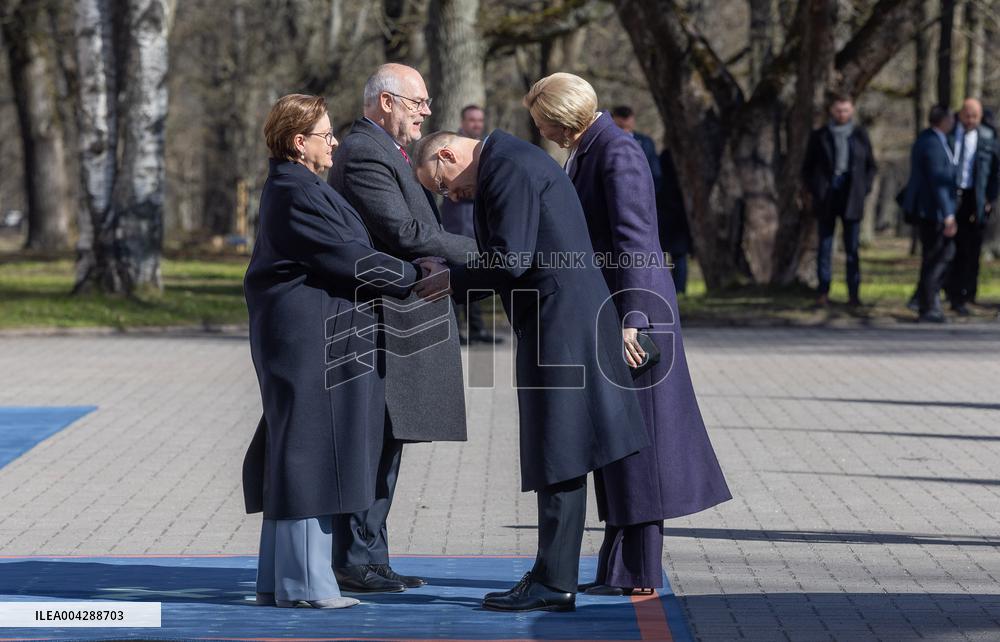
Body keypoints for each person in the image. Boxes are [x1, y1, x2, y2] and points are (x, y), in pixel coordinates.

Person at [411, 129, 650, 613]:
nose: (451, 196)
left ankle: (555, 582)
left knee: (560, 451)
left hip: (560, 325)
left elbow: (511, 259)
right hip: (559, 319)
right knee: (558, 450)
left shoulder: (506, 166)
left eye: (442, 184)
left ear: (447, 154)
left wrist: (450, 280)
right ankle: (550, 574)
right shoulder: (509, 159)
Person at [524, 72, 730, 596]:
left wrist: (634, 319)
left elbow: (637, 241)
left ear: (563, 119)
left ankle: (638, 571)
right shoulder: (589, 148)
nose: (540, 130)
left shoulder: (618, 152)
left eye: (542, 120)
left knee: (642, 448)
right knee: (620, 446)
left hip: (634, 315)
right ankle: (619, 568)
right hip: (614, 312)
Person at [241, 94, 448, 608]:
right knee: (309, 453)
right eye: (326, 134)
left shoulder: (299, 185)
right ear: (299, 142)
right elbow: (349, 257)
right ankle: (306, 585)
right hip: (307, 340)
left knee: (300, 451)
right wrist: (415, 276)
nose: (334, 143)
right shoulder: (295, 191)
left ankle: (280, 579)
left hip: (312, 335)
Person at [327, 63, 474, 593]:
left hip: (398, 317)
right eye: (418, 102)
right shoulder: (364, 151)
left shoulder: (388, 150)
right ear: (386, 101)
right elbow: (404, 231)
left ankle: (372, 556)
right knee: (372, 443)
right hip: (380, 320)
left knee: (387, 444)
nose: (425, 113)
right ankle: (355, 561)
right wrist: (481, 253)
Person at [801, 94, 877, 307]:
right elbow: (807, 168)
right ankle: (823, 291)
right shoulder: (820, 136)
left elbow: (871, 166)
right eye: (838, 110)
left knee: (852, 248)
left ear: (852, 110)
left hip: (852, 197)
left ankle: (853, 293)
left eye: (846, 110)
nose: (842, 114)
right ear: (832, 111)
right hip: (827, 197)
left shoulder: (860, 135)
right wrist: (815, 190)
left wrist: (863, 189)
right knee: (825, 246)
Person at [439, 104, 503, 344]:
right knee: (457, 273)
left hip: (478, 226)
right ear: (462, 122)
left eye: (479, 120)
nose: (477, 124)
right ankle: (456, 331)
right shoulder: (452, 149)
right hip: (457, 223)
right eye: (472, 120)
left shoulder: (484, 148)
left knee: (476, 273)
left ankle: (477, 329)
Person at [903, 105, 959, 323]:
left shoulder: (935, 140)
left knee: (938, 256)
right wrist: (948, 214)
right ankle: (928, 303)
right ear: (943, 120)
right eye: (950, 118)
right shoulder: (932, 143)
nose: (953, 122)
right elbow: (939, 182)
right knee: (938, 257)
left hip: (933, 209)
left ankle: (925, 300)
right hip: (932, 211)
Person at [945, 98, 999, 315]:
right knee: (948, 249)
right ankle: (948, 292)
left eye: (975, 117)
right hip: (952, 196)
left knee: (971, 249)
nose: (970, 120)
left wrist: (989, 199)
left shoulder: (988, 137)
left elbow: (995, 172)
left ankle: (967, 294)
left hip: (974, 199)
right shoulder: (949, 134)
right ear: (960, 115)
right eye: (967, 116)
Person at [657, 148, 693, 294]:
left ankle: (667, 290)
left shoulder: (666, 156)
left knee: (667, 255)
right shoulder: (681, 157)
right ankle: (678, 290)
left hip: (666, 212)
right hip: (677, 213)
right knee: (678, 255)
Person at [611, 105, 662, 194]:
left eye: (627, 117)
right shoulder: (608, 143)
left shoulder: (646, 142)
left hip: (644, 192)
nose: (625, 120)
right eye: (622, 117)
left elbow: (655, 171)